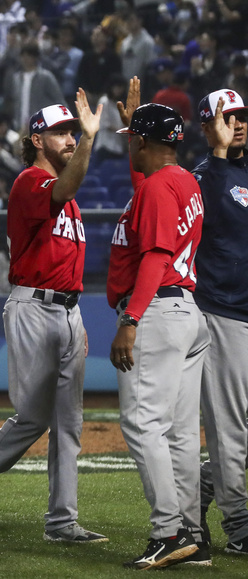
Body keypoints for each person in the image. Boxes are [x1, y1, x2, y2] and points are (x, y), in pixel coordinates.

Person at [0, 94, 108, 543]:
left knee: (69, 424)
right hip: (33, 307)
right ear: (37, 139)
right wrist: (92, 141)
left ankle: (61, 522)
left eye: (74, 131)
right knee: (33, 418)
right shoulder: (28, 182)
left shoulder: (63, 191)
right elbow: (68, 187)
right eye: (63, 132)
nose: (72, 138)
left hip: (66, 311)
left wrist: (76, 321)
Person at [108, 102, 208, 569]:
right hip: (188, 312)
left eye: (133, 136)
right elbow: (155, 220)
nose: (129, 142)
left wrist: (131, 320)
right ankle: (192, 536)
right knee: (181, 433)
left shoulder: (156, 186)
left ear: (142, 142)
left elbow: (154, 254)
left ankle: (168, 530)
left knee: (143, 424)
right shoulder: (185, 181)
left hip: (158, 310)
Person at [194, 90, 248, 557]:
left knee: (240, 432)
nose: (239, 123)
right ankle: (240, 526)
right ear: (208, 125)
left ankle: (193, 492)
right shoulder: (203, 177)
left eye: (243, 115)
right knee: (229, 428)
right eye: (228, 117)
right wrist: (216, 149)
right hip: (222, 313)